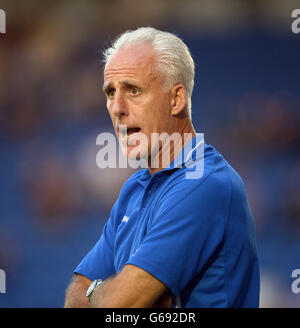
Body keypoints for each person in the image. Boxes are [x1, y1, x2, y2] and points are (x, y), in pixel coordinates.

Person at [64, 27, 260, 308]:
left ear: (176, 99)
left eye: (133, 90)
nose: (117, 107)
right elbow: (75, 294)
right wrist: (101, 291)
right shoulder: (135, 187)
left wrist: (100, 292)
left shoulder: (205, 184)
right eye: (110, 92)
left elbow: (120, 306)